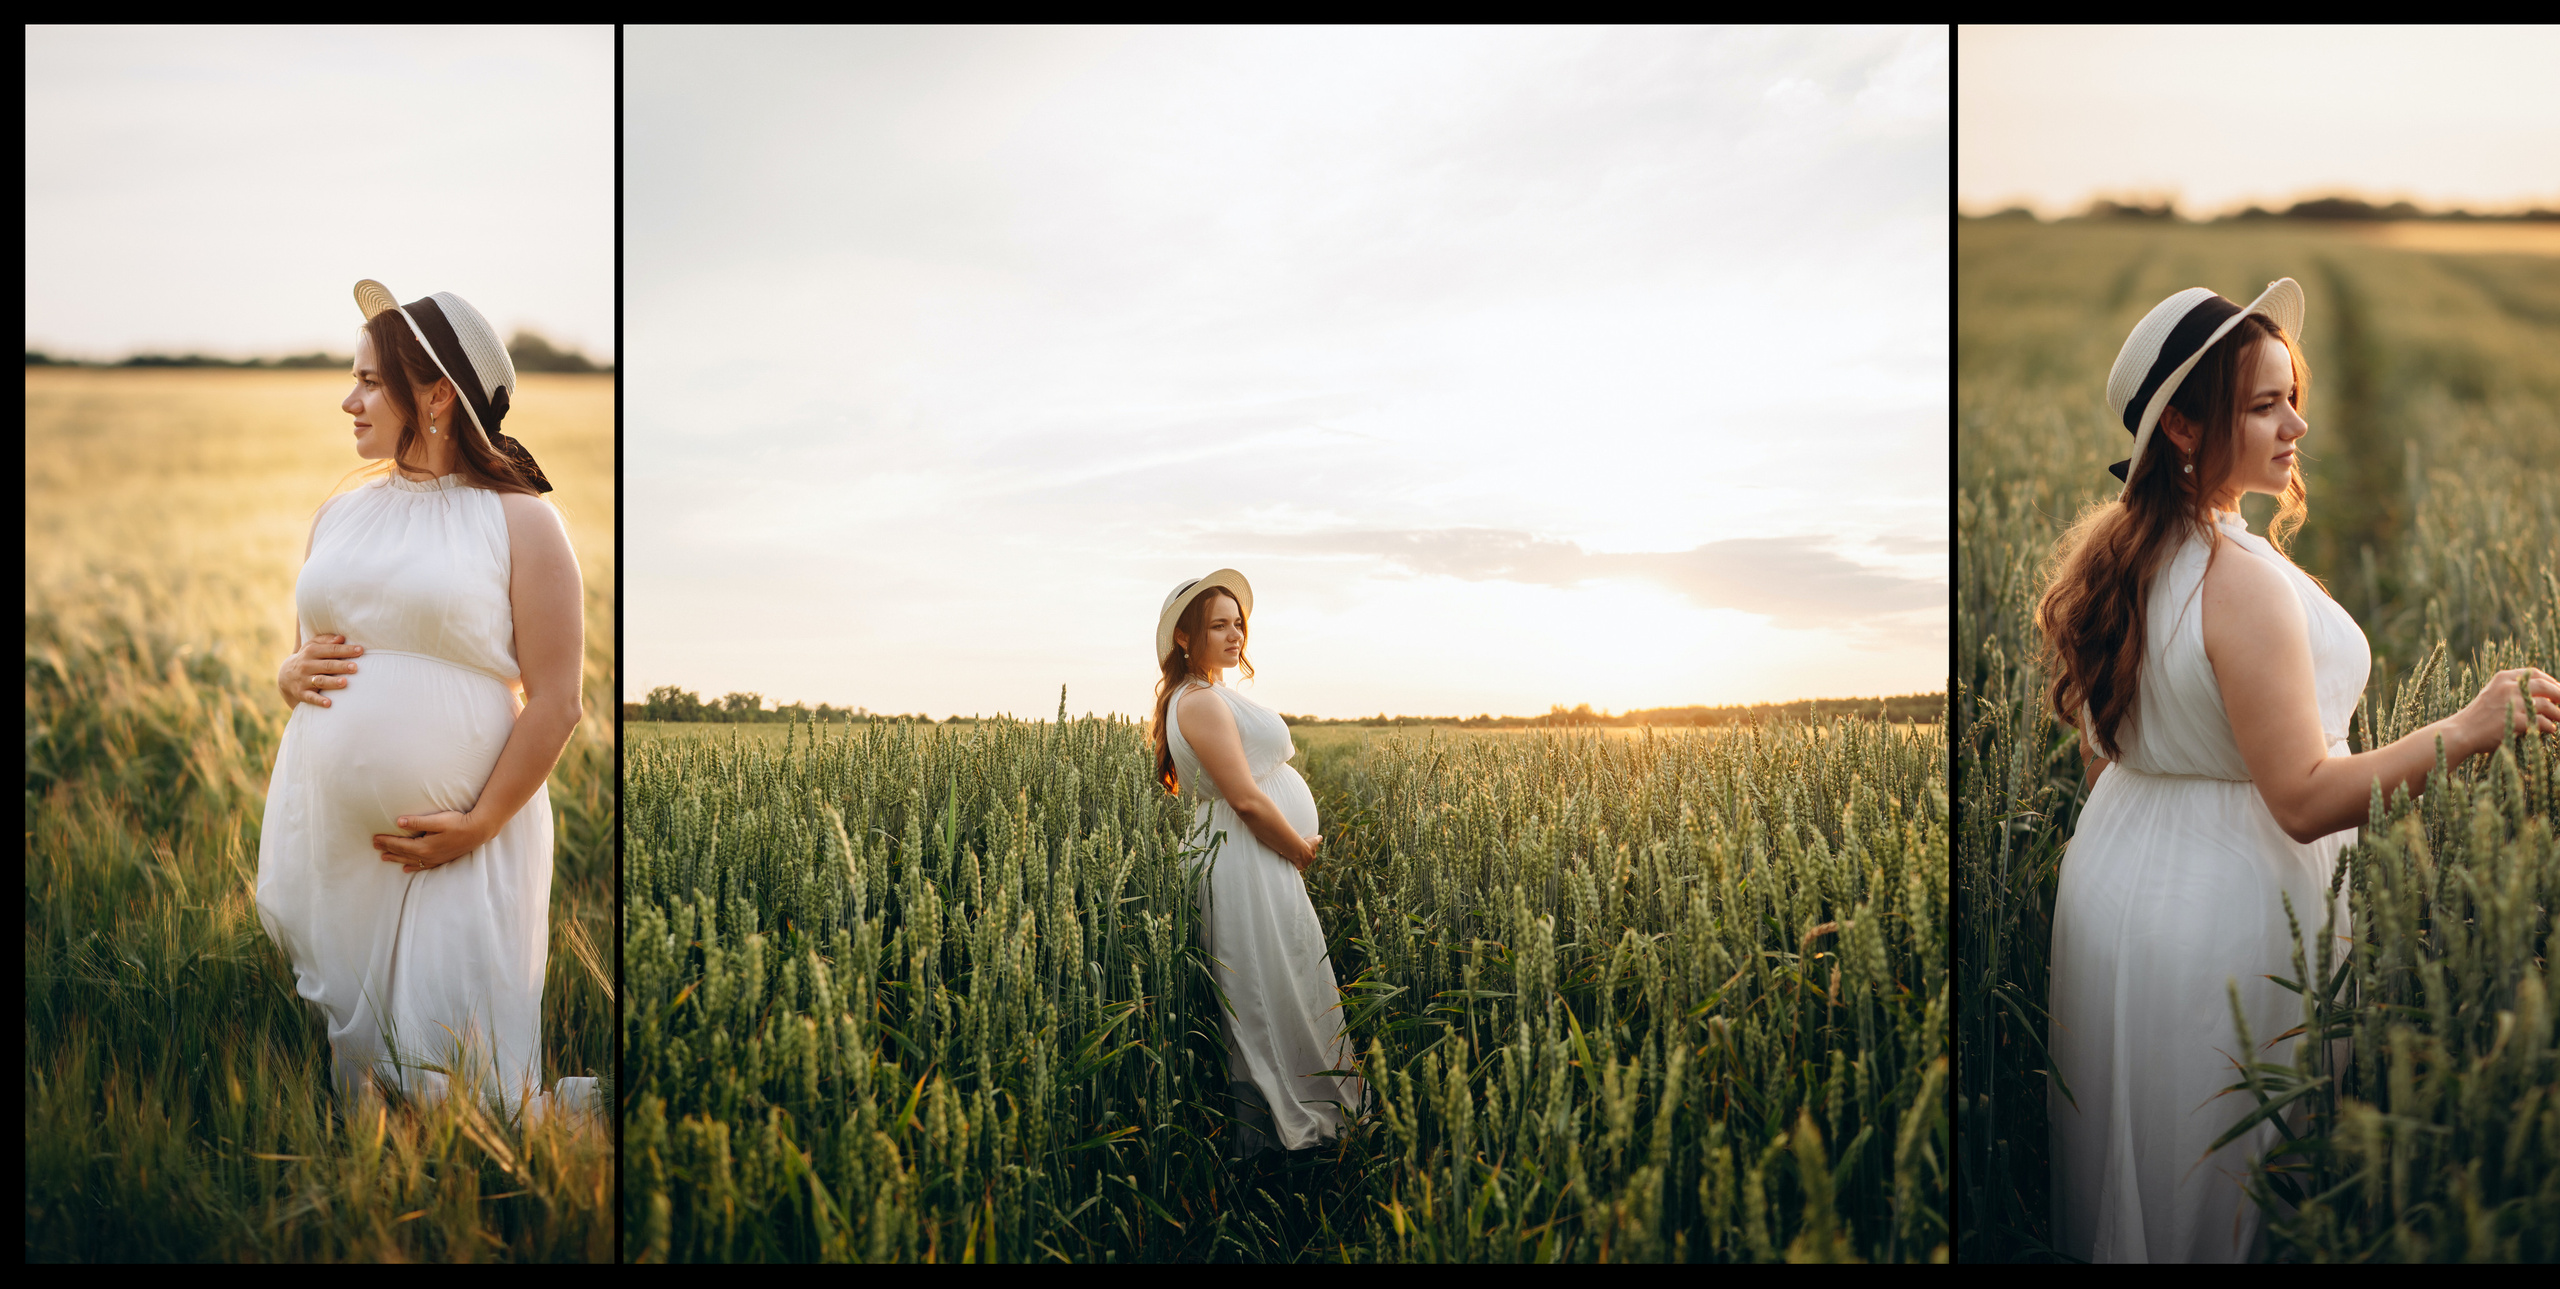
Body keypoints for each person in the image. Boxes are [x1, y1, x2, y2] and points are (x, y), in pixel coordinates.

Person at [2036, 279, 2560, 1262]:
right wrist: (2469, 723)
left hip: (2117, 882)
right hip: (2223, 917)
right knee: (2226, 1200)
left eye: (2292, 395)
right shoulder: (2236, 580)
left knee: (2139, 1164)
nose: (2298, 422)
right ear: (2185, 430)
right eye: (2264, 403)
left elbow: (2107, 751)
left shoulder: (2127, 553)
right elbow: (2304, 798)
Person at [255, 280, 596, 1123]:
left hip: (467, 839)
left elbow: (558, 701)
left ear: (436, 393)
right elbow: (306, 657)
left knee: (467, 1104)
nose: (350, 399)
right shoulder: (339, 515)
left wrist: (479, 822)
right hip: (344, 846)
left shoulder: (521, 522)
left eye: (372, 381)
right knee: (365, 1100)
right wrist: (285, 676)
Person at [1152, 569, 1367, 1157]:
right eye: (1217, 625)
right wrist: (1298, 848)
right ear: (1184, 638)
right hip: (1243, 857)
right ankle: (1279, 1140)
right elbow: (1245, 800)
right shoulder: (1197, 702)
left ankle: (1303, 1117)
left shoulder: (1209, 695)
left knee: (1287, 978)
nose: (1234, 634)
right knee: (1265, 990)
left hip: (1251, 854)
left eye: (1237, 623)